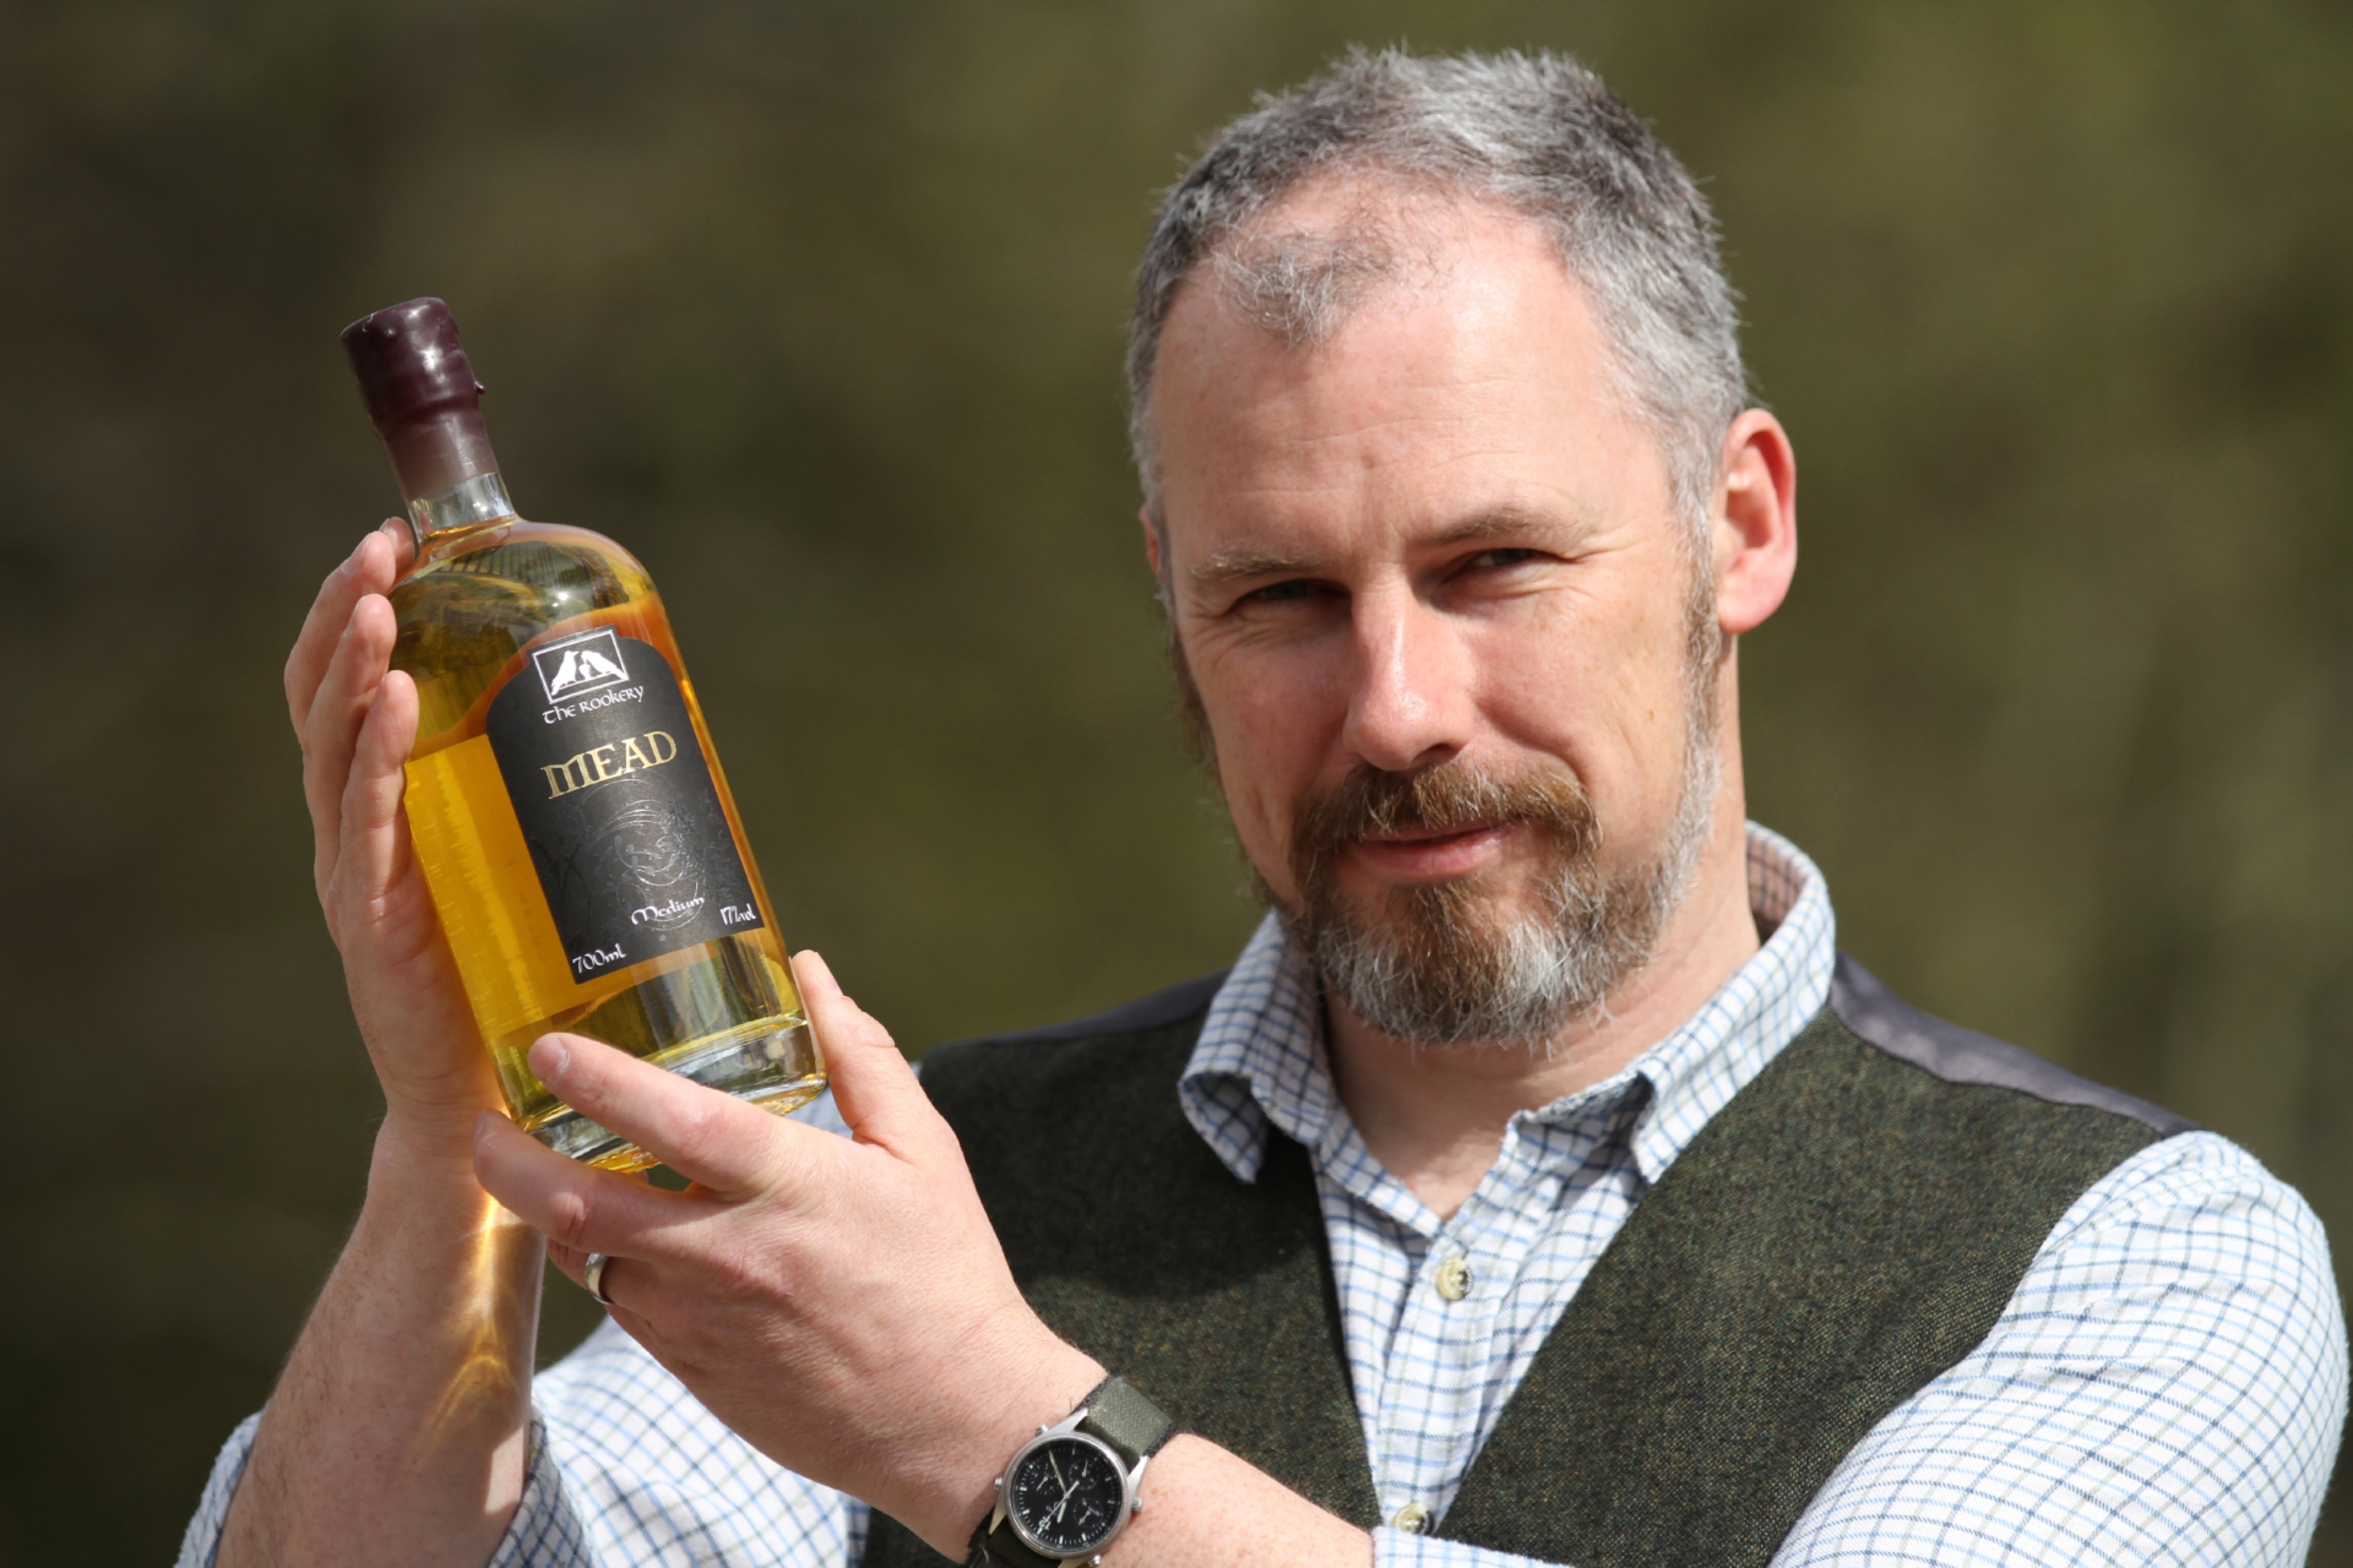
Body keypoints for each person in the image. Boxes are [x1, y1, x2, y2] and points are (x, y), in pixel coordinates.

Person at [183, 48, 2343, 1568]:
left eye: (1494, 568)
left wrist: (998, 1431)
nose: (1396, 705)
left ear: (1738, 525)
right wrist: (449, 1154)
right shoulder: (937, 1191)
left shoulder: (2136, 1256)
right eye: (1283, 597)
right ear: (1167, 600)